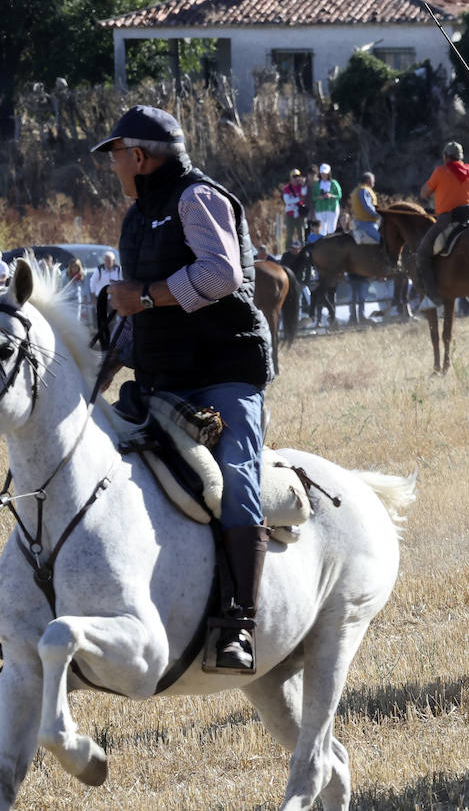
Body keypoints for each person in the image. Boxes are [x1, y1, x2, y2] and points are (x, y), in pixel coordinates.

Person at [92, 105, 273, 672]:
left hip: (222, 371)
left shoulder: (197, 198)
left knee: (238, 480)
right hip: (161, 377)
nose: (113, 166)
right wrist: (92, 378)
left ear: (140, 157)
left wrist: (144, 296)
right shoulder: (135, 217)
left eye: (116, 155)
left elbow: (221, 275)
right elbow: (133, 313)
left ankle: (239, 622)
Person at [417, 140, 469, 302]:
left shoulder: (440, 171)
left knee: (423, 252)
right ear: (461, 157)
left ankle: (432, 296)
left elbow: (424, 193)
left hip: (448, 218)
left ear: (446, 157)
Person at [348, 171, 385, 251]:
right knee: (383, 240)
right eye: (373, 180)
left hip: (360, 221)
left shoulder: (356, 190)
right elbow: (367, 207)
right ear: (369, 180)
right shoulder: (364, 190)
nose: (374, 182)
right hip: (367, 223)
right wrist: (379, 215)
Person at [310, 163, 342, 236]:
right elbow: (313, 197)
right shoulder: (317, 184)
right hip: (320, 209)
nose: (324, 175)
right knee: (322, 230)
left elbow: (339, 195)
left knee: (331, 229)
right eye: (322, 173)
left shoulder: (334, 183)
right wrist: (319, 197)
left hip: (332, 209)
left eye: (325, 173)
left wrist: (331, 196)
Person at [281, 168, 309, 246]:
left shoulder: (302, 186)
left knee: (301, 234)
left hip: (301, 213)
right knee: (290, 234)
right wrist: (298, 199)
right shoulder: (287, 188)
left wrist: (303, 185)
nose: (296, 178)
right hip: (290, 213)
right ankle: (288, 251)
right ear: (291, 178)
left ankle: (303, 251)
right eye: (294, 176)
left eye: (298, 176)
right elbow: (287, 201)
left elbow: (304, 195)